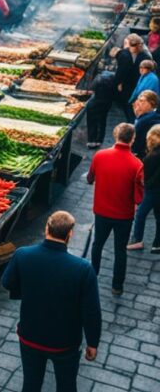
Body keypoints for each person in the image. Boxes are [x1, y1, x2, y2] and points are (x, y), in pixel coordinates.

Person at [1, 211, 101, 392]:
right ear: (70, 234)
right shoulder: (83, 269)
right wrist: (93, 342)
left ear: (46, 228)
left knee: (30, 384)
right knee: (67, 386)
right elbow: (91, 311)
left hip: (30, 336)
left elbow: (7, 282)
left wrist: (31, 291)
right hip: (65, 343)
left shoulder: (23, 254)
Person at [87, 123, 143, 295]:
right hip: (124, 215)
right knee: (120, 250)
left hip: (102, 211)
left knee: (97, 244)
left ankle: (92, 277)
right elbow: (139, 197)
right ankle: (117, 286)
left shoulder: (100, 156)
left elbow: (90, 179)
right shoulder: (137, 164)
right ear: (132, 139)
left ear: (115, 135)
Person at [129, 124, 160, 252]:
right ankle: (157, 244)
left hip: (153, 190)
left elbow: (148, 175)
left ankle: (137, 240)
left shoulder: (153, 155)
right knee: (159, 216)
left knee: (141, 214)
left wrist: (146, 184)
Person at [115, 34, 152, 121]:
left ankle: (133, 123)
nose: (125, 46)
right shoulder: (129, 53)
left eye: (126, 43)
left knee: (131, 106)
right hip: (131, 84)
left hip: (136, 84)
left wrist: (119, 83)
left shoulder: (144, 56)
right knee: (128, 106)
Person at [85, 70, 116, 148]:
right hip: (107, 103)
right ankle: (99, 140)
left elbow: (91, 90)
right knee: (102, 121)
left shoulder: (99, 78)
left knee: (92, 122)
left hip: (95, 103)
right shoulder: (112, 80)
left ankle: (91, 141)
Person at [131, 91, 160, 157]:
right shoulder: (149, 116)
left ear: (151, 103)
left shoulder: (147, 119)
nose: (137, 103)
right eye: (138, 100)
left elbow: (135, 141)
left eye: (142, 101)